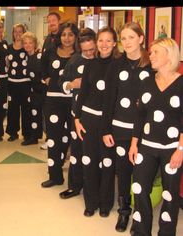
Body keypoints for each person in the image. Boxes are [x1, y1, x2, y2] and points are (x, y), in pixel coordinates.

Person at [129, 37, 182, 236]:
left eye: (155, 52)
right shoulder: (147, 81)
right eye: (150, 52)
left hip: (172, 149)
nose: (150, 55)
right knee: (140, 188)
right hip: (147, 146)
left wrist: (180, 149)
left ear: (169, 55)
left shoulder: (181, 83)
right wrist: (134, 144)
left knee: (169, 194)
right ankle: (142, 230)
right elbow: (140, 115)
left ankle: (166, 232)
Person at [103, 22, 151, 232]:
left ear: (141, 39)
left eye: (131, 37)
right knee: (123, 172)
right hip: (120, 129)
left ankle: (140, 216)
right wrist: (106, 129)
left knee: (142, 175)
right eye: (123, 38)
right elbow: (108, 100)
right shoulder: (115, 65)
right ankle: (124, 212)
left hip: (145, 131)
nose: (127, 42)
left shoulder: (151, 65)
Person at [74, 27, 121, 217]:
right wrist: (77, 119)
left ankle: (105, 203)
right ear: (96, 43)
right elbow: (82, 93)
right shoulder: (90, 65)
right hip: (88, 119)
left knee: (107, 163)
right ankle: (91, 202)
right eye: (101, 40)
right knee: (89, 162)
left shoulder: (119, 66)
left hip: (108, 122)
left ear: (114, 43)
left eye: (108, 40)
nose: (104, 44)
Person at [58, 28, 96, 199]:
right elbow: (62, 83)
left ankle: (94, 188)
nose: (88, 54)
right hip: (78, 114)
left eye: (92, 50)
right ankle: (74, 185)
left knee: (96, 154)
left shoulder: (106, 62)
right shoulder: (74, 60)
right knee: (77, 151)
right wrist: (72, 85)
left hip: (98, 115)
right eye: (85, 50)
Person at [41, 22, 79, 188]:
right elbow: (41, 69)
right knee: (53, 138)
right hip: (53, 100)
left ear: (76, 37)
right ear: (59, 36)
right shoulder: (50, 51)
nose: (67, 38)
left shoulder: (79, 54)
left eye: (70, 34)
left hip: (73, 101)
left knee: (70, 137)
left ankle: (70, 172)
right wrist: (46, 78)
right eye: (64, 34)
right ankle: (54, 175)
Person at [6, 23, 31, 143]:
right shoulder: (9, 48)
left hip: (25, 83)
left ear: (24, 33)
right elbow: (7, 64)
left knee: (26, 109)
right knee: (12, 109)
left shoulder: (27, 48)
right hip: (11, 83)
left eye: (20, 31)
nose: (17, 34)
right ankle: (13, 132)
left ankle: (27, 134)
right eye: (15, 32)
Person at [40, 11, 61, 150]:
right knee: (48, 112)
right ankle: (50, 138)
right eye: (49, 21)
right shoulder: (48, 38)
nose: (51, 23)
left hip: (62, 84)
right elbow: (44, 60)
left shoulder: (64, 38)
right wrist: (45, 77)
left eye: (54, 20)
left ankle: (60, 141)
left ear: (59, 21)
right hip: (49, 83)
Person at [22, 31, 45, 145]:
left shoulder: (39, 56)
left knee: (44, 115)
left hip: (43, 91)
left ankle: (48, 138)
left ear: (35, 44)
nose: (28, 45)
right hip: (34, 91)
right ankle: (34, 137)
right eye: (25, 43)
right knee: (34, 114)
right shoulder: (27, 57)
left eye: (30, 43)